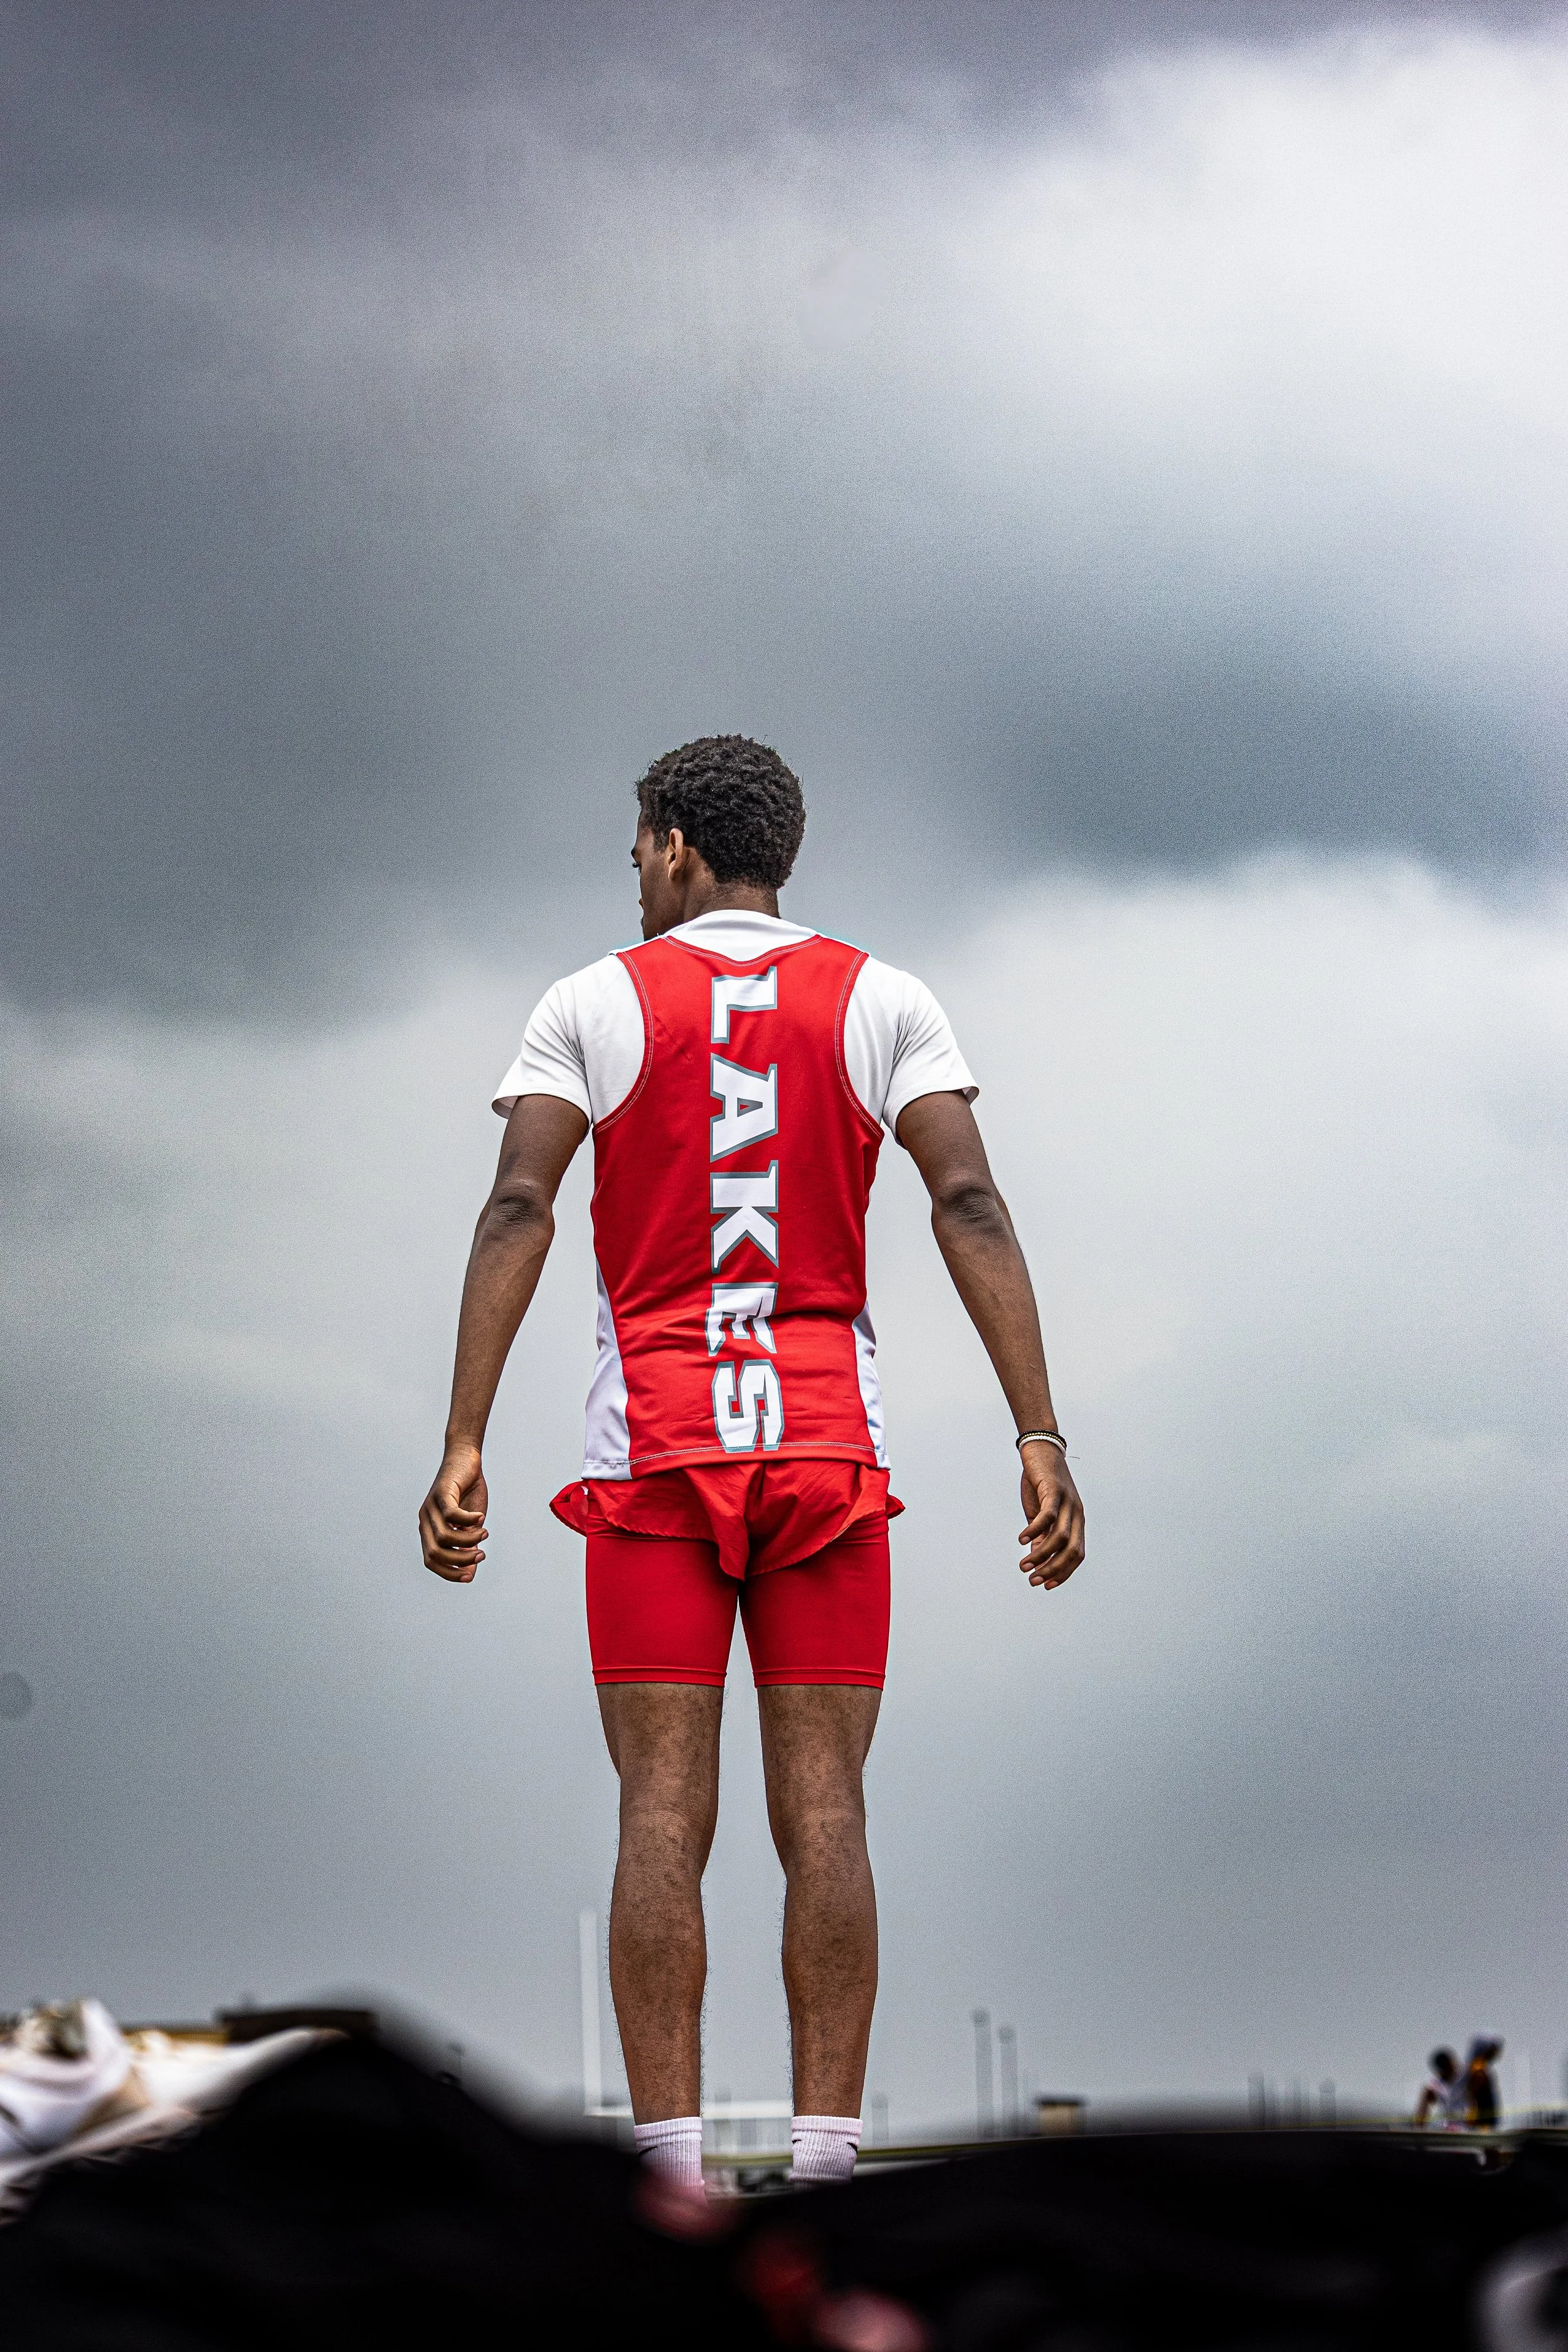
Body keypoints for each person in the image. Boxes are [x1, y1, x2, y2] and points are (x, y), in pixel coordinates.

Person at [419, 736, 1086, 2190]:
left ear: (668, 844)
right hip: (824, 1449)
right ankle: (829, 2165)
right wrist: (1037, 1428)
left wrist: (466, 1431)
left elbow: (516, 1204)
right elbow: (966, 1199)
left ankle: (667, 2173)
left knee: (661, 1802)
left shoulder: (591, 998)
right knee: (828, 1801)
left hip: (655, 1452)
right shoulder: (883, 996)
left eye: (635, 849)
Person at [1412, 2047, 1460, 2128]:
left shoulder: (1466, 2079)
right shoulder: (1436, 2085)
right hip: (1449, 2127)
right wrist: (1418, 2129)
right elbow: (1423, 2107)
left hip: (1470, 2126)